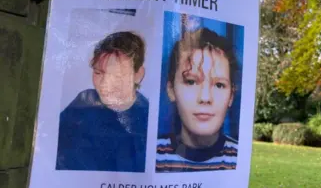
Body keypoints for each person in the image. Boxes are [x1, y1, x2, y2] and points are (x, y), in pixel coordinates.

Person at [56, 31, 149, 172]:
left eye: (117, 76)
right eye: (98, 73)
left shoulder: (148, 118)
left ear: (138, 75)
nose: (104, 83)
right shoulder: (83, 101)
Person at [156, 27, 239, 172]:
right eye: (191, 82)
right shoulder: (151, 155)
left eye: (219, 85)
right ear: (171, 90)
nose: (205, 97)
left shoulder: (240, 158)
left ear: (231, 96)